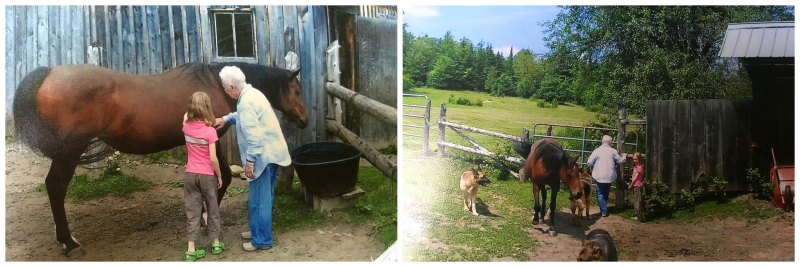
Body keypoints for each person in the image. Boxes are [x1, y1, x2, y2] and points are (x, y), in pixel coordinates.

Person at [213, 66, 291, 251]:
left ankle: (261, 240)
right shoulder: (252, 94)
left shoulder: (246, 102)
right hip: (272, 152)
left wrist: (250, 162)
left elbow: (254, 138)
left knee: (258, 198)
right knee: (264, 196)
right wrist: (225, 119)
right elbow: (243, 115)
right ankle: (258, 229)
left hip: (262, 156)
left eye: (224, 87)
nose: (224, 91)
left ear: (232, 87)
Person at [181, 91, 224, 261]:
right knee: (212, 208)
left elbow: (186, 116)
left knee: (193, 212)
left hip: (190, 175)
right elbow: (213, 158)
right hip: (207, 176)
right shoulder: (210, 132)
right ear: (207, 108)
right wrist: (219, 176)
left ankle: (191, 250)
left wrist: (192, 107)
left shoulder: (186, 126)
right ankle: (215, 243)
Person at [587, 135, 627, 218]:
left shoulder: (597, 150)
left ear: (602, 141)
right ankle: (603, 209)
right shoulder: (613, 151)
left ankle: (604, 211)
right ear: (610, 143)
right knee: (605, 192)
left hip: (599, 175)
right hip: (610, 175)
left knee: (600, 193)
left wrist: (592, 166)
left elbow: (590, 162)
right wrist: (624, 156)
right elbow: (619, 160)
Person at [628, 152, 644, 219]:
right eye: (634, 159)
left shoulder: (639, 168)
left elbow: (635, 178)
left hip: (637, 185)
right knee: (635, 200)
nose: (635, 161)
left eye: (636, 159)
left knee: (637, 201)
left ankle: (639, 216)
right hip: (635, 186)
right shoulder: (635, 167)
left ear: (639, 159)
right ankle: (638, 215)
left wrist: (630, 185)